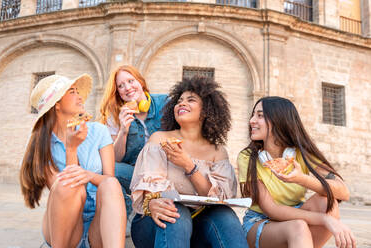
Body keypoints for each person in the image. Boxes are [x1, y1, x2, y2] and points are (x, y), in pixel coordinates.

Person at [129, 76, 248, 248]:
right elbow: (149, 191)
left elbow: (216, 199)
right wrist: (153, 202)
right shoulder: (160, 140)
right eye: (179, 101)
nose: (181, 104)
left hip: (198, 226)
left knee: (225, 215)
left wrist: (188, 166)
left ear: (206, 110)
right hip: (155, 222)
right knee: (176, 211)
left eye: (190, 100)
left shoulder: (217, 151)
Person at [19, 74, 126, 248]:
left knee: (111, 184)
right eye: (72, 92)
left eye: (78, 91)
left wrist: (88, 175)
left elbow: (109, 180)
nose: (80, 96)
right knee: (66, 185)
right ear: (57, 105)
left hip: (98, 225)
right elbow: (66, 190)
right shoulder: (42, 146)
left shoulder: (98, 131)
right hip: (64, 228)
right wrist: (71, 148)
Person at [238, 96, 356, 248]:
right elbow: (271, 209)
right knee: (298, 227)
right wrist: (325, 219)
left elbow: (343, 192)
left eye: (260, 115)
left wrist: (302, 179)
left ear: (279, 120)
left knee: (327, 201)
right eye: (253, 115)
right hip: (260, 221)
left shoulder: (302, 153)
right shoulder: (247, 157)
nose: (252, 120)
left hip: (297, 215)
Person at [99, 65, 167, 223]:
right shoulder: (115, 114)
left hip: (164, 171)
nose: (127, 88)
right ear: (118, 92)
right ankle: (126, 211)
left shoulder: (164, 102)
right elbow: (114, 159)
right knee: (107, 169)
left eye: (131, 81)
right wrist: (123, 130)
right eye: (121, 86)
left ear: (141, 82)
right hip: (136, 173)